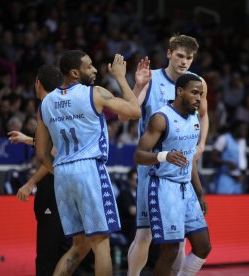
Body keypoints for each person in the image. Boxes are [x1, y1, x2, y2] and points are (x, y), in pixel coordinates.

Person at [36, 50, 143, 276]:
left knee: (80, 245)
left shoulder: (46, 103)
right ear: (75, 73)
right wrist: (121, 78)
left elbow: (42, 154)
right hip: (89, 169)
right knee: (101, 242)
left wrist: (60, 172)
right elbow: (134, 111)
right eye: (89, 66)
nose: (95, 70)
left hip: (62, 174)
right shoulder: (95, 93)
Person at [128, 34, 209, 276]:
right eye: (180, 55)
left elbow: (203, 115)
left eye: (189, 57)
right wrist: (138, 86)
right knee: (145, 235)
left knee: (182, 240)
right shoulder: (151, 79)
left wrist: (201, 145)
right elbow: (127, 114)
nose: (184, 61)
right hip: (152, 166)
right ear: (169, 54)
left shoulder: (197, 83)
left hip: (181, 169)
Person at [9, 64, 83, 276]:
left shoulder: (47, 108)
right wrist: (27, 139)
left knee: (48, 252)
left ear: (38, 83)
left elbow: (53, 154)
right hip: (72, 186)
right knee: (67, 247)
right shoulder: (66, 107)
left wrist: (30, 182)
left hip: (54, 189)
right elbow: (55, 146)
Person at [210, 120, 248, 194]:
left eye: (246, 130)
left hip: (238, 179)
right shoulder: (224, 138)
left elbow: (242, 159)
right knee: (223, 204)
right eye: (243, 129)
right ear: (236, 128)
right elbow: (212, 157)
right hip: (225, 177)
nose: (245, 132)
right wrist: (226, 162)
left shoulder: (243, 141)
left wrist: (243, 172)